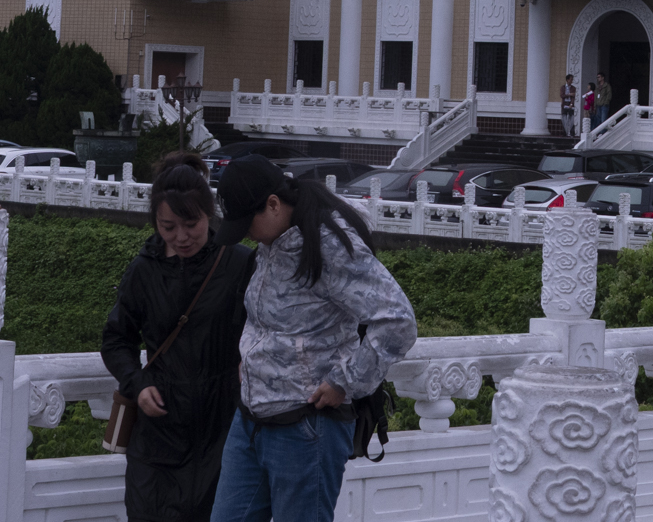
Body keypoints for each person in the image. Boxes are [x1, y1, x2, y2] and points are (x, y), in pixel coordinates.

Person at [210, 154, 417, 522]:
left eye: (246, 222)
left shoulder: (329, 246)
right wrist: (249, 356)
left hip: (305, 425)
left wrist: (345, 381)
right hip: (250, 419)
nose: (246, 234)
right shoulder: (273, 242)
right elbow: (265, 319)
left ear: (274, 204)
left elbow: (397, 321)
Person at [101, 151, 256, 522]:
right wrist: (138, 385)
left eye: (191, 224)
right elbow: (116, 339)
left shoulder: (238, 263)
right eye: (168, 226)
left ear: (209, 214)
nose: (181, 237)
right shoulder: (144, 270)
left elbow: (268, 325)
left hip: (223, 425)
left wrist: (249, 360)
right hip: (158, 431)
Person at [560, 74, 578, 140]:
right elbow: (562, 95)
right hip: (564, 104)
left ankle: (571, 132)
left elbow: (573, 96)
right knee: (564, 118)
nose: (571, 81)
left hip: (570, 104)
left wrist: (571, 104)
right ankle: (564, 132)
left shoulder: (573, 88)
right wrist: (569, 94)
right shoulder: (563, 87)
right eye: (570, 79)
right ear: (567, 80)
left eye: (572, 79)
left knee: (571, 119)